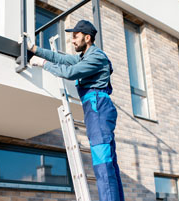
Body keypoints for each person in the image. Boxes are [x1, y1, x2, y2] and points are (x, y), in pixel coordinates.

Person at [25, 20, 125, 201]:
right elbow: (62, 59)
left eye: (75, 37)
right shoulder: (84, 57)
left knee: (103, 163)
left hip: (98, 108)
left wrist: (42, 64)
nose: (72, 41)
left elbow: (70, 73)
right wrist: (34, 49)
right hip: (95, 108)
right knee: (108, 163)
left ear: (87, 38)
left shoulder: (96, 57)